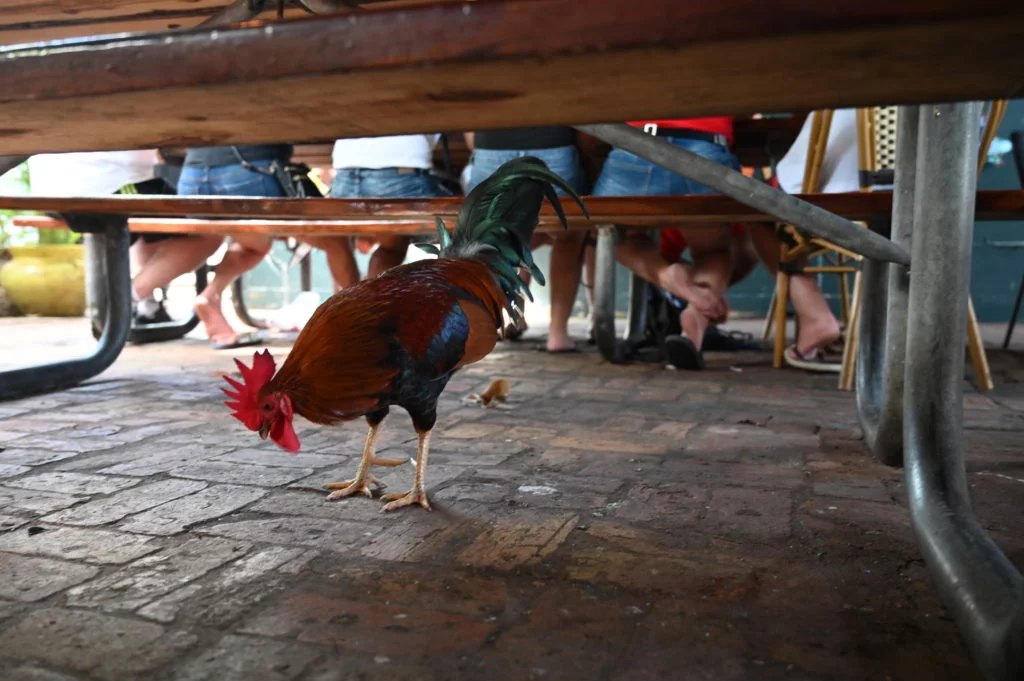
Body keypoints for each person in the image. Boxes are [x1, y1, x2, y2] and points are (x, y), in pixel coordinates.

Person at [590, 117, 740, 369]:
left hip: (636, 147)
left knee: (615, 236)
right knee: (711, 250)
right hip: (706, 149)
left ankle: (666, 275)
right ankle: (696, 315)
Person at [464, 127, 590, 353]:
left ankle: (501, 314)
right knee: (569, 233)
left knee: (494, 234)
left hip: (490, 151)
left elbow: (471, 137)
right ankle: (558, 333)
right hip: (553, 148)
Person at [328, 133, 450, 280]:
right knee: (468, 222)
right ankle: (371, 299)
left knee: (392, 246)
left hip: (344, 180)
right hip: (401, 176)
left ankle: (360, 300)